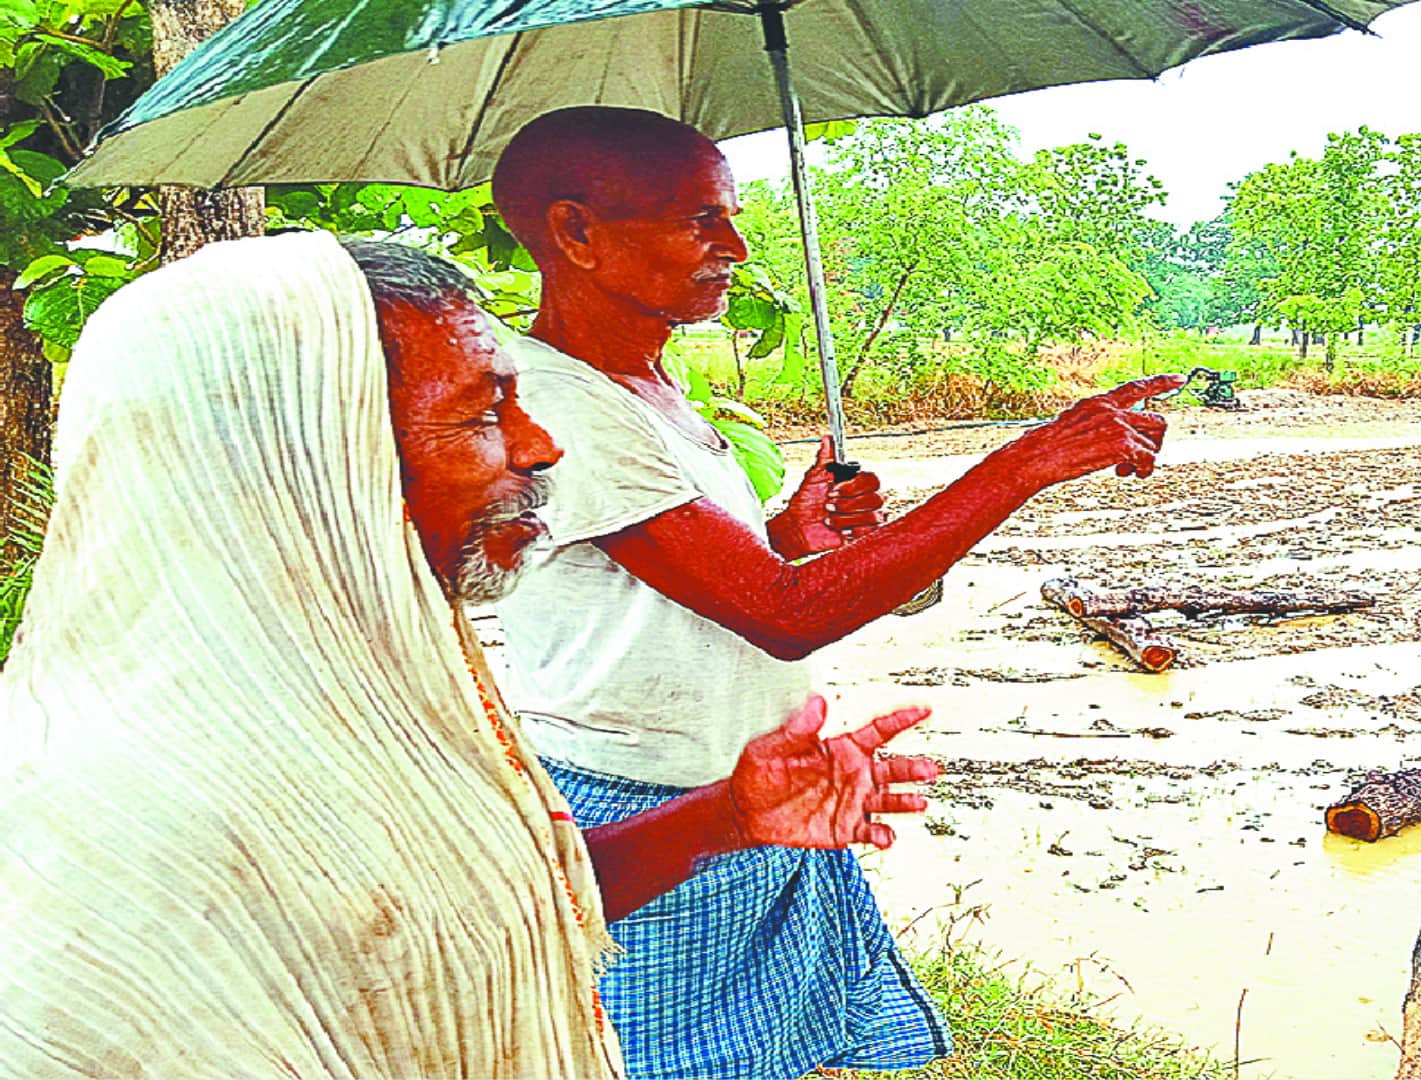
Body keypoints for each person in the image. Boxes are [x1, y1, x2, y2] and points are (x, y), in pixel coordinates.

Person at [0, 232, 939, 1077]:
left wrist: (727, 816)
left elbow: (481, 913)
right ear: (315, 451)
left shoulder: (360, 674)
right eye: (483, 413)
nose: (534, 447)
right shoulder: (126, 801)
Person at [487, 105, 1183, 1078]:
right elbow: (785, 613)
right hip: (645, 813)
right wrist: (1023, 462)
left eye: (729, 217)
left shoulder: (644, 389)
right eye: (699, 222)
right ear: (574, 233)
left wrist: (786, 538)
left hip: (742, 789)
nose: (733, 246)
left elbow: (689, 586)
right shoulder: (562, 407)